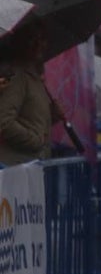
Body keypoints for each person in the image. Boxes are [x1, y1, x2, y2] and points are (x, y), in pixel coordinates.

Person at [0, 22, 60, 166]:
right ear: (20, 43)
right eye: (32, 38)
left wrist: (53, 116)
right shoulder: (17, 76)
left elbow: (31, 120)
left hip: (33, 167)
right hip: (17, 169)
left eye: (42, 38)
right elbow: (3, 122)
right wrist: (36, 141)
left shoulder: (35, 78)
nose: (39, 44)